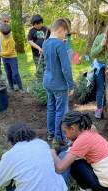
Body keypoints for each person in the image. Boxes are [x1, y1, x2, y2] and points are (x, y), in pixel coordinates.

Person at [51, 111, 108, 191]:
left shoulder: (82, 140)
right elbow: (72, 146)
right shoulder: (90, 128)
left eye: (65, 132)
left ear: (73, 128)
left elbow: (60, 168)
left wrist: (52, 153)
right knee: (72, 154)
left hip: (106, 186)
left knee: (74, 162)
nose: (66, 136)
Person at [0, 122, 67, 191]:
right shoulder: (42, 144)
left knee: (6, 179)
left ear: (11, 140)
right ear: (30, 133)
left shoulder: (10, 155)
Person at [43, 18, 75, 146]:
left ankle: (50, 133)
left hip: (47, 82)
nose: (65, 36)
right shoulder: (60, 45)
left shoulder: (46, 43)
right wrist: (71, 85)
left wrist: (61, 43)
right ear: (60, 30)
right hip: (59, 84)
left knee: (51, 107)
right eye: (65, 33)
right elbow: (66, 69)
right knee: (60, 111)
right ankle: (60, 137)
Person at [0, 20, 24, 93]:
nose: (6, 36)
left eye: (7, 35)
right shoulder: (1, 33)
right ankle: (11, 88)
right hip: (5, 59)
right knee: (8, 73)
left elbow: (9, 52)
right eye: (4, 35)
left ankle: (21, 88)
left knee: (15, 73)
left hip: (12, 58)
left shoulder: (11, 40)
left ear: (9, 32)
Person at [28, 14, 50, 79]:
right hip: (37, 55)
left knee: (47, 69)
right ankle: (39, 84)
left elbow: (51, 38)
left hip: (46, 54)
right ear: (33, 24)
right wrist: (39, 48)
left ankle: (47, 83)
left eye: (39, 23)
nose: (38, 25)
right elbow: (30, 41)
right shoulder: (31, 31)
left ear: (42, 22)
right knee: (39, 71)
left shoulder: (46, 29)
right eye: (36, 24)